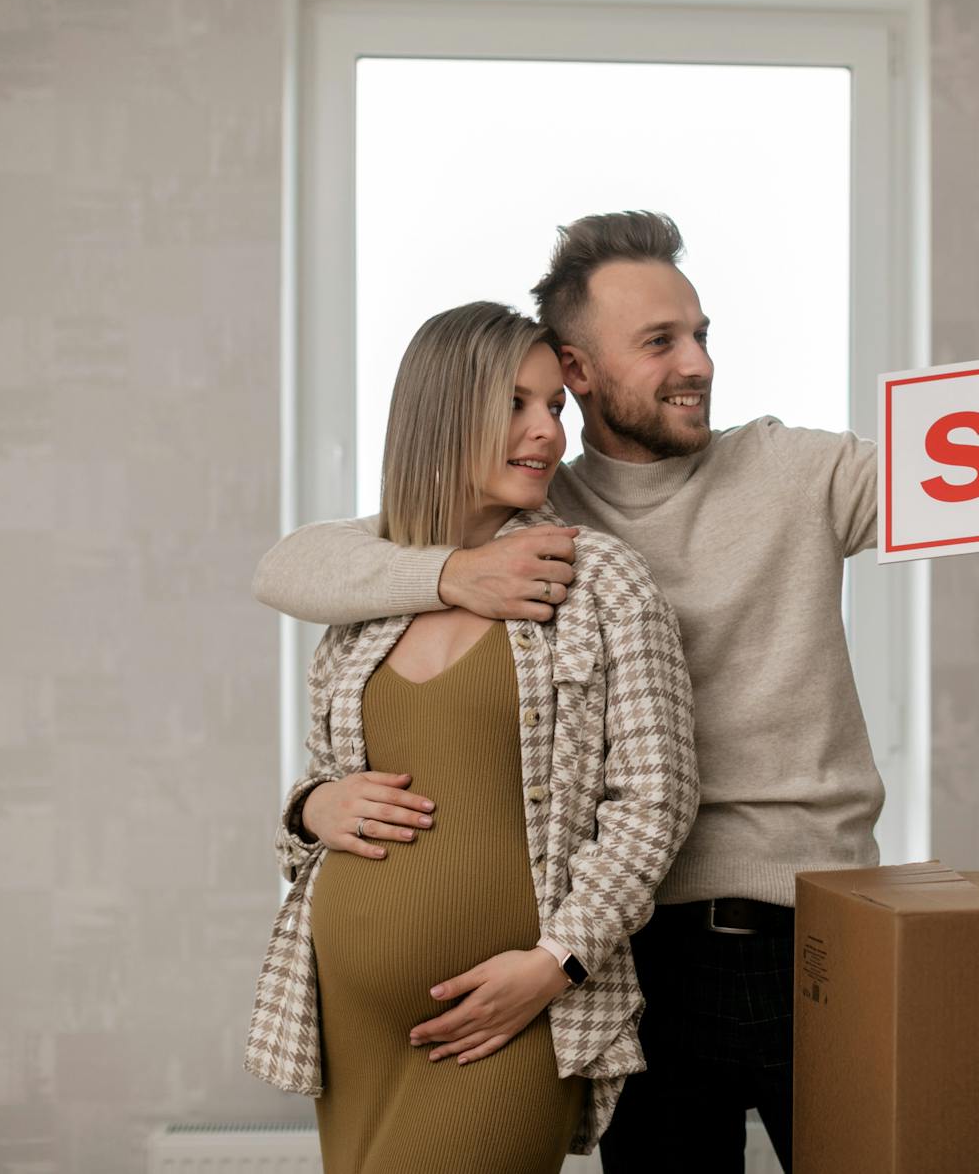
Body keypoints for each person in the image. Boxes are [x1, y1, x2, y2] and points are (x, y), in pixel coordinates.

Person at [251, 212, 979, 1171]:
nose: (697, 362)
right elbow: (300, 564)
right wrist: (451, 575)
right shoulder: (535, 514)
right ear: (578, 371)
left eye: (701, 333)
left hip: (806, 935)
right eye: (659, 341)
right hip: (632, 954)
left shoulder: (797, 471)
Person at [243, 300, 699, 1173]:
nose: (549, 431)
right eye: (516, 404)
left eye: (555, 405)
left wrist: (556, 963)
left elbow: (657, 800)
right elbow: (320, 782)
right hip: (352, 1016)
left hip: (513, 1011)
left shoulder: (600, 581)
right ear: (443, 412)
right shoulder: (370, 596)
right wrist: (313, 807)